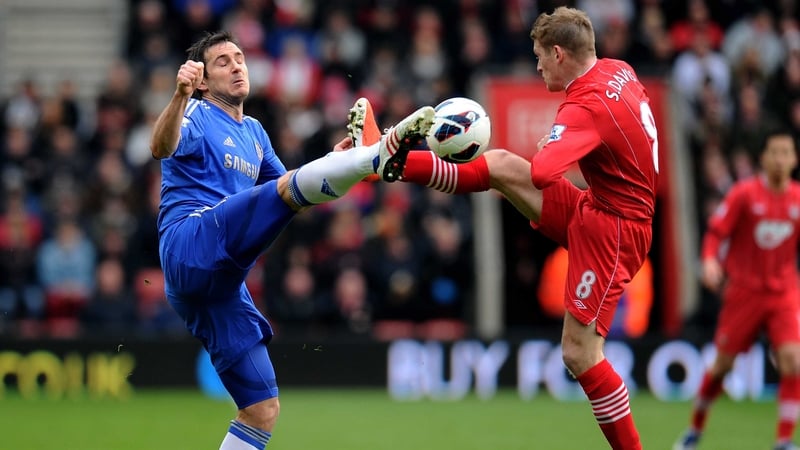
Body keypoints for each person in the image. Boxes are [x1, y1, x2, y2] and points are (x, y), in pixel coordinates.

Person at [350, 7, 655, 449]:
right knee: (500, 165)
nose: (538, 66)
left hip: (615, 231)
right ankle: (381, 162)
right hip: (600, 207)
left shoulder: (585, 105)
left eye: (539, 57)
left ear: (558, 53)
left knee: (580, 353)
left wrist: (553, 145)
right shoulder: (618, 70)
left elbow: (546, 171)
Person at [149, 30, 434, 450]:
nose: (237, 65)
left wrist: (335, 162)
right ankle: (374, 155)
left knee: (261, 410)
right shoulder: (196, 111)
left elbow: (293, 195)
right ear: (203, 80)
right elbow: (160, 147)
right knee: (289, 190)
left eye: (240, 57)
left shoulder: (255, 132)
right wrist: (179, 95)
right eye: (223, 61)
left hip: (220, 284)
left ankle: (365, 158)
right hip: (190, 243)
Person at [673, 129, 800, 450]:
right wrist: (709, 261)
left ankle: (784, 440)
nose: (780, 159)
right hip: (744, 292)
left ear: (794, 159)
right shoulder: (744, 194)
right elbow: (716, 232)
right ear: (764, 158)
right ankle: (694, 429)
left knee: (793, 361)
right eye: (775, 152)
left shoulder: (798, 198)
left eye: (786, 153)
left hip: (784, 293)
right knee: (722, 367)